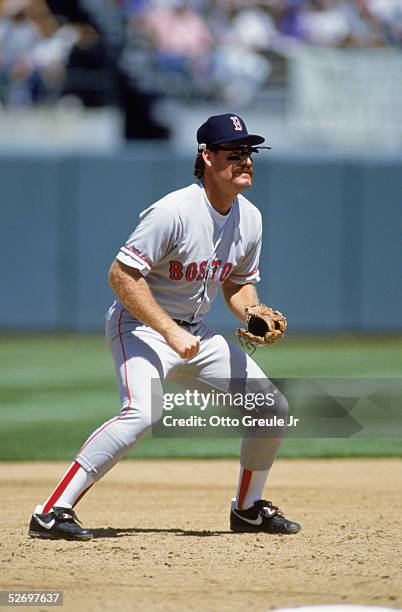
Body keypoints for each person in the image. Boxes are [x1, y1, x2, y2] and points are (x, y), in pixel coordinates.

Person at [28, 113, 301, 540]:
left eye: (249, 153)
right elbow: (121, 276)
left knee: (271, 409)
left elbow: (237, 284)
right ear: (207, 157)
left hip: (194, 331)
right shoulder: (173, 211)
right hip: (139, 326)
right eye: (235, 153)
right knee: (142, 414)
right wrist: (167, 330)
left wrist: (253, 312)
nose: (245, 161)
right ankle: (50, 510)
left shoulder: (251, 219)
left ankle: (248, 508)